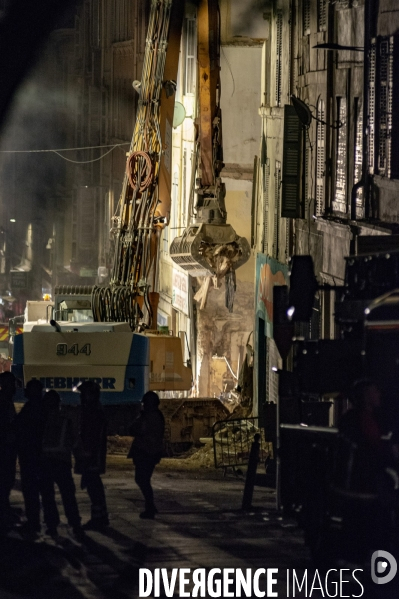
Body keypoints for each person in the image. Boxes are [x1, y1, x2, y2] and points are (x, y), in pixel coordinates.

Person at [39, 390, 83, 539]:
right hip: (62, 462)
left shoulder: (42, 420)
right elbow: (74, 441)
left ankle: (52, 525)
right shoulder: (66, 419)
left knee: (48, 496)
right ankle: (75, 523)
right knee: (68, 495)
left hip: (45, 461)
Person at [75, 381, 109, 531]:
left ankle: (98, 519)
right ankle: (102, 516)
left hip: (91, 456)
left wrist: (86, 454)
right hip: (93, 455)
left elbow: (91, 436)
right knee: (95, 486)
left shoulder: (93, 412)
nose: (82, 397)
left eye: (84, 394)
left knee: (93, 487)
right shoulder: (94, 410)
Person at [128, 391, 165, 519]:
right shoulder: (156, 416)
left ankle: (150, 507)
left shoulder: (149, 417)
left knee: (142, 479)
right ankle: (150, 506)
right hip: (150, 452)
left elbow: (136, 429)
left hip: (146, 452)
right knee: (143, 480)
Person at [16, 378, 44, 537]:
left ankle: (33, 523)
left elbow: (22, 428)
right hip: (33, 455)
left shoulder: (32, 408)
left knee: (31, 490)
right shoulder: (38, 408)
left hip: (30, 456)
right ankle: (34, 521)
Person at [0, 371, 18, 533]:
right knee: (5, 479)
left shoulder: (6, 401)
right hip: (5, 448)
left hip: (8, 447)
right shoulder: (3, 402)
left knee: (7, 479)